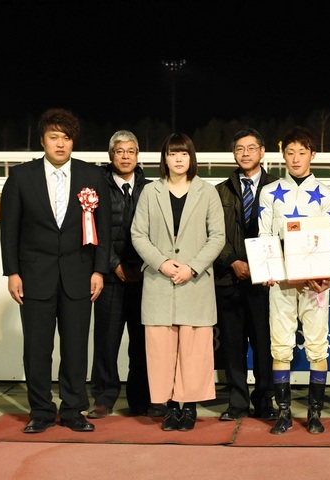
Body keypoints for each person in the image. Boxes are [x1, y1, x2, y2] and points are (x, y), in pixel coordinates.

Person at [0, 107, 111, 433]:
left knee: (75, 348)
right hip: (34, 277)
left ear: (73, 141)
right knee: (37, 349)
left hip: (80, 276)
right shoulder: (21, 177)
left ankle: (74, 410)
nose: (60, 144)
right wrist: (12, 272)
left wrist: (99, 271)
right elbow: (9, 230)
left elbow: (103, 229)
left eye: (66, 137)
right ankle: (41, 412)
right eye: (54, 137)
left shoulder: (93, 177)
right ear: (42, 140)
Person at [131, 132, 225, 432]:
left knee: (194, 351)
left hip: (194, 283)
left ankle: (190, 407)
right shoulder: (150, 192)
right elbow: (138, 234)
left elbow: (217, 237)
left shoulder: (207, 192)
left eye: (183, 153)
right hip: (159, 281)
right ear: (165, 159)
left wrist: (192, 268)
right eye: (172, 153)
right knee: (162, 350)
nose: (179, 159)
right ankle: (170, 407)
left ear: (191, 157)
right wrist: (161, 262)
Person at [258, 126, 330, 435]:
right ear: (283, 155)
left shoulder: (327, 195)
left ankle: (315, 414)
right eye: (290, 153)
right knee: (280, 348)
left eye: (302, 153)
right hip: (281, 284)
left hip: (315, 285)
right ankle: (284, 413)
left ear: (312, 155)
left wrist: (324, 277)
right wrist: (276, 274)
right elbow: (265, 238)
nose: (295, 158)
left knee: (317, 348)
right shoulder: (269, 192)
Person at [214, 128, 279, 421]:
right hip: (229, 278)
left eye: (251, 148)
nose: (246, 153)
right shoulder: (220, 191)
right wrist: (233, 261)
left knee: (264, 344)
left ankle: (265, 400)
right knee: (233, 345)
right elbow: (213, 234)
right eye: (240, 149)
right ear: (234, 154)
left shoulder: (277, 188)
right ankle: (237, 401)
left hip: (265, 281)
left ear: (262, 152)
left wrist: (263, 266)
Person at [87, 130, 152, 419]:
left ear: (138, 155)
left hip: (144, 278)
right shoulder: (95, 189)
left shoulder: (151, 189)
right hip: (110, 277)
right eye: (120, 151)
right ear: (111, 155)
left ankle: (141, 399)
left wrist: (141, 265)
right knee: (106, 342)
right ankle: (103, 397)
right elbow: (91, 231)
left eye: (131, 151)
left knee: (142, 343)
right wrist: (114, 264)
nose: (125, 157)